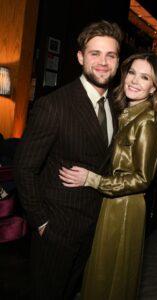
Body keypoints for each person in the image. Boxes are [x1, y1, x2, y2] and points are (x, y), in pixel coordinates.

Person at [14, 20, 124, 300]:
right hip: (56, 228)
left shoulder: (114, 105)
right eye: (95, 54)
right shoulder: (54, 105)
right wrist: (41, 222)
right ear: (80, 57)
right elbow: (25, 167)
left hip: (93, 226)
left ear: (117, 61)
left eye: (110, 55)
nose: (103, 62)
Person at [59, 52, 157, 300]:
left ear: (154, 88)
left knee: (110, 275)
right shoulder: (126, 114)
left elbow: (142, 179)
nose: (134, 80)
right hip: (112, 202)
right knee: (101, 270)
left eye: (145, 77)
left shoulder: (146, 123)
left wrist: (92, 179)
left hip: (124, 208)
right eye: (132, 72)